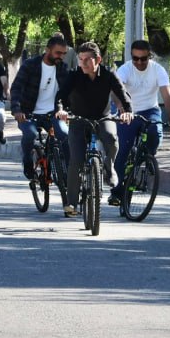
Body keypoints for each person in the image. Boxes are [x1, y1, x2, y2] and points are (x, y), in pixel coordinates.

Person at [55, 42, 133, 217]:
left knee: (112, 138)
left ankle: (109, 167)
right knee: (76, 160)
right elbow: (61, 96)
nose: (82, 63)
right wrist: (60, 110)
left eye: (86, 60)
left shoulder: (108, 74)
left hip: (102, 117)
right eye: (80, 59)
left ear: (98, 59)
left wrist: (127, 111)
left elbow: (122, 94)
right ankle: (72, 204)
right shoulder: (74, 76)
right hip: (78, 119)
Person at [113, 39, 170, 196]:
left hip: (150, 109)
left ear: (149, 56)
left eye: (143, 59)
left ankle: (148, 156)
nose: (139, 62)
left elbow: (167, 94)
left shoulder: (158, 70)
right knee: (123, 150)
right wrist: (122, 109)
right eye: (135, 58)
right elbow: (116, 91)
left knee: (155, 132)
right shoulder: (125, 69)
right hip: (128, 111)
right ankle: (116, 190)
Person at [11, 34, 72, 183]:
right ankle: (27, 160)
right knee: (30, 134)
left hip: (53, 113)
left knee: (64, 134)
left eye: (64, 54)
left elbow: (68, 92)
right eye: (58, 53)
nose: (61, 57)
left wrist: (67, 110)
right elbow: (16, 88)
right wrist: (17, 110)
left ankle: (71, 171)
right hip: (27, 113)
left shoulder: (63, 68)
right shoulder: (30, 65)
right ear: (47, 50)